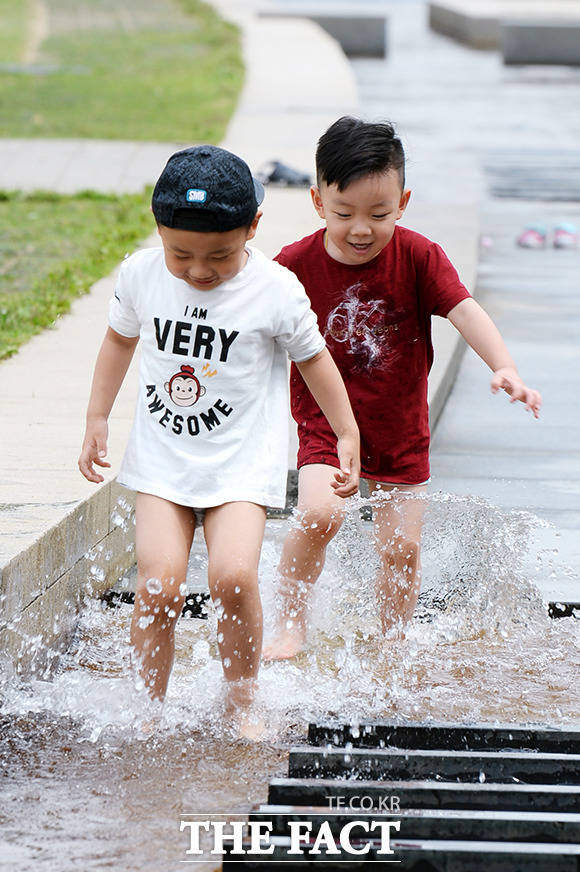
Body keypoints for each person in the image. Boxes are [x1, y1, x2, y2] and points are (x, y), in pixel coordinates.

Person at [78, 145, 360, 729]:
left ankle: (241, 702)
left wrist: (346, 431)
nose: (199, 270)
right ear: (158, 229)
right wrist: (96, 417)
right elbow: (118, 341)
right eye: (180, 253)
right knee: (158, 586)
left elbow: (314, 360)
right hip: (163, 461)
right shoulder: (140, 274)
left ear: (254, 226)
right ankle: (148, 711)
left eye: (220, 255)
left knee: (233, 579)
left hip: (238, 467)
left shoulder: (276, 290)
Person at [263, 116, 542, 661]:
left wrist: (504, 365)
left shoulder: (417, 256)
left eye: (379, 214)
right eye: (345, 214)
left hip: (399, 427)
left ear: (404, 201)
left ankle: (392, 639)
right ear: (318, 201)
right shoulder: (294, 266)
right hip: (324, 421)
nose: (362, 228)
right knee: (320, 516)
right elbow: (254, 326)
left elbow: (464, 310)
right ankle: (290, 623)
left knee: (401, 549)